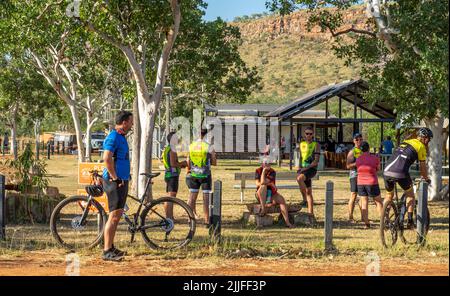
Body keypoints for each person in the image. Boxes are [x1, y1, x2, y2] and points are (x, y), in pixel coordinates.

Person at [383, 128, 433, 229]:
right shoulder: (421, 146)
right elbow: (423, 167)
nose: (429, 142)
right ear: (424, 138)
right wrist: (426, 178)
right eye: (428, 139)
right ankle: (410, 221)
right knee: (410, 195)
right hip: (401, 173)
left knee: (389, 195)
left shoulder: (405, 142)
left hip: (386, 171)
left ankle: (384, 218)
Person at [101, 110, 133, 261]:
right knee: (113, 216)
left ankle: (111, 247)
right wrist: (114, 177)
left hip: (122, 180)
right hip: (114, 181)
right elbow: (106, 158)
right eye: (131, 121)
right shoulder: (113, 136)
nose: (132, 124)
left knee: (117, 214)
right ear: (124, 122)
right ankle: (107, 251)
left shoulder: (121, 137)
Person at [186, 128, 217, 225]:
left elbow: (188, 161)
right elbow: (214, 161)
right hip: (205, 174)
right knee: (206, 198)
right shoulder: (208, 146)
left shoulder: (191, 146)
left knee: (192, 197)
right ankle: (207, 220)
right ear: (205, 135)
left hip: (193, 174)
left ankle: (189, 218)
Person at [255, 158, 294, 228]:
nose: (267, 164)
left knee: (281, 200)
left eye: (269, 163)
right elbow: (258, 183)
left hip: (271, 193)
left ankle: (287, 223)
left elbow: (263, 182)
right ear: (262, 164)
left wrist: (268, 183)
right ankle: (263, 209)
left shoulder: (272, 171)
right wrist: (264, 172)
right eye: (265, 163)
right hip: (260, 194)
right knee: (263, 187)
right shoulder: (258, 170)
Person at [356, 141, 383, 228]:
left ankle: (366, 223)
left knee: (364, 202)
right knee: (378, 202)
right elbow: (378, 169)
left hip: (360, 182)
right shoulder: (375, 158)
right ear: (368, 148)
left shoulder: (358, 159)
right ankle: (382, 222)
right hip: (372, 182)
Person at [296, 127, 320, 224]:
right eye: (307, 133)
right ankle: (311, 214)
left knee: (299, 179)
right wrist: (298, 166)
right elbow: (300, 158)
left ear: (313, 134)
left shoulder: (316, 144)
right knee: (309, 191)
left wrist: (305, 168)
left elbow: (316, 161)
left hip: (311, 169)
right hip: (303, 169)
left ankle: (304, 199)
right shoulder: (301, 144)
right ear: (304, 134)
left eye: (310, 134)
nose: (309, 135)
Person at [163, 131, 187, 219]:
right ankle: (169, 217)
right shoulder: (172, 150)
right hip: (172, 176)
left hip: (168, 175)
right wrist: (183, 163)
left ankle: (169, 216)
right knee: (171, 198)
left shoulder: (167, 148)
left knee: (169, 197)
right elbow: (173, 164)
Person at [346, 132, 363, 222]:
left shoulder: (363, 150)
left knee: (362, 196)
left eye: (360, 139)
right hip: (354, 175)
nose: (359, 141)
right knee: (353, 195)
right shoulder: (352, 151)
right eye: (357, 139)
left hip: (363, 175)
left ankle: (363, 217)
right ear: (354, 141)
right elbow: (348, 166)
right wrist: (358, 163)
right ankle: (350, 216)